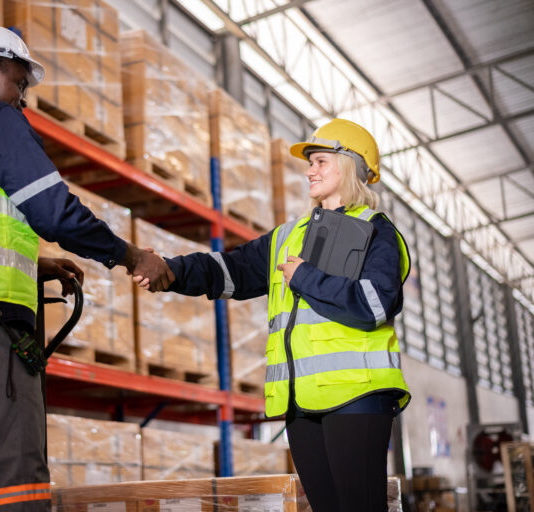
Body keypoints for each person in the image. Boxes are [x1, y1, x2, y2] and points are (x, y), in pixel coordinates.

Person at [0, 25, 174, 511]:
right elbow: (52, 211)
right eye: (20, 83)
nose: (22, 100)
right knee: (12, 488)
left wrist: (33, 262)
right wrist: (131, 256)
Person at [136, 119, 411, 512]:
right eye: (310, 163)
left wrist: (305, 277)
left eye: (319, 161)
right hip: (300, 403)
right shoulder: (288, 235)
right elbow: (230, 270)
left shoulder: (377, 232)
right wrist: (171, 269)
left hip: (358, 396)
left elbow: (373, 305)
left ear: (349, 164)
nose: (309, 170)